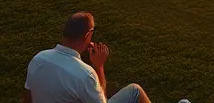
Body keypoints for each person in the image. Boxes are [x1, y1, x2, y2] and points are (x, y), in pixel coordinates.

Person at [23, 12, 153, 103]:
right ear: (88, 35)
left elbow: (28, 98)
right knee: (135, 90)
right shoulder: (85, 74)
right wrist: (99, 66)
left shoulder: (38, 59)